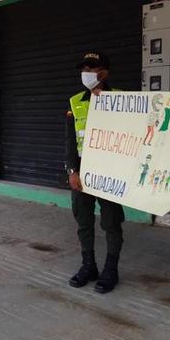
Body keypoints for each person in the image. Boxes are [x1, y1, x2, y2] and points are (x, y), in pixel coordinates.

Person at [65, 52, 125, 294]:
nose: (86, 72)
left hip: (110, 172)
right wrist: (72, 170)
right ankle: (88, 265)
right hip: (82, 171)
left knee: (111, 223)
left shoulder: (121, 101)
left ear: (104, 73)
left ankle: (111, 270)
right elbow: (70, 141)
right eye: (84, 68)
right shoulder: (74, 101)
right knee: (84, 222)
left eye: (92, 68)